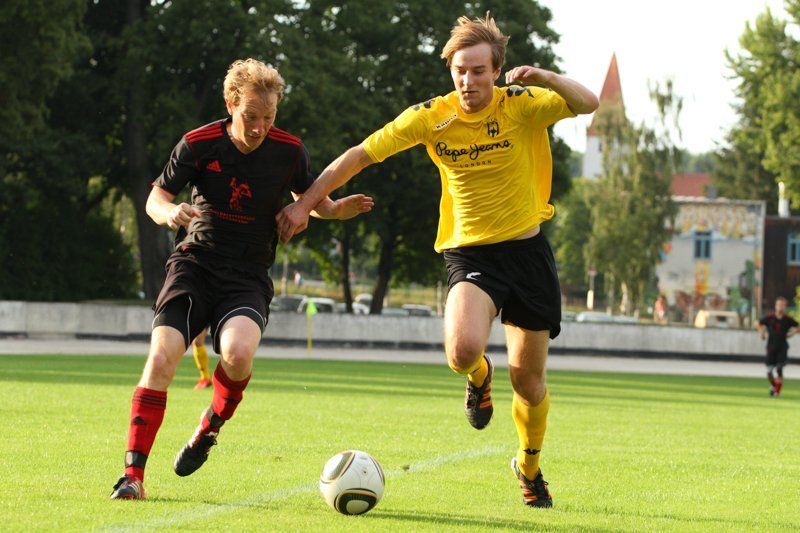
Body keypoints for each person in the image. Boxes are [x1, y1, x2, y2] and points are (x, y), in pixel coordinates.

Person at [276, 13, 598, 508]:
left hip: (528, 255)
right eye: (460, 71)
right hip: (471, 252)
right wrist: (304, 206)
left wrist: (546, 77)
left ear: (497, 71)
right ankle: (478, 377)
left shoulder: (523, 104)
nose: (468, 81)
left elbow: (588, 103)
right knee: (462, 352)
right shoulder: (432, 116)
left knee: (529, 383)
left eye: (479, 71)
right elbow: (359, 155)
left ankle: (528, 467)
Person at [110, 58, 373, 500]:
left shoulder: (289, 151)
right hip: (194, 265)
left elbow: (311, 201)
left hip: (248, 275)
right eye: (251, 116)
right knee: (162, 356)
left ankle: (209, 426)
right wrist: (168, 212)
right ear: (231, 104)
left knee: (237, 353)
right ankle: (132, 476)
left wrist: (334, 210)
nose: (259, 128)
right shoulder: (199, 143)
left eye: (269, 117)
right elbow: (156, 197)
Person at [757, 297, 797, 397]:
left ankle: (777, 392)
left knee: (779, 368)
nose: (780, 307)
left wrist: (792, 334)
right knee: (769, 371)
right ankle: (774, 386)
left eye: (782, 305)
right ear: (775, 306)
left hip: (782, 347)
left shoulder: (787, 319)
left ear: (785, 307)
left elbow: (798, 326)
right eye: (778, 304)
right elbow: (758, 323)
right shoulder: (770, 318)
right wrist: (762, 333)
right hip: (771, 347)